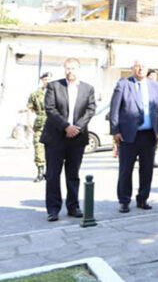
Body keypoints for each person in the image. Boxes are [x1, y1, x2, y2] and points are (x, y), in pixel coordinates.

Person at [41, 58, 96, 221]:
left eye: (73, 68)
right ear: (64, 69)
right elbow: (50, 109)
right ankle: (53, 209)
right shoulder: (54, 86)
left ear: (79, 69)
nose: (70, 71)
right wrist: (66, 126)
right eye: (67, 68)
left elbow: (90, 110)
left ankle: (73, 206)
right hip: (55, 138)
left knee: (73, 175)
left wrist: (77, 127)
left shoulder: (88, 89)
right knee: (53, 175)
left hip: (77, 138)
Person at [110, 59, 158, 213]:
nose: (141, 69)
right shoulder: (123, 84)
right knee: (126, 170)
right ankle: (124, 201)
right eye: (137, 66)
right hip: (128, 135)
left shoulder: (155, 86)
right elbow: (114, 109)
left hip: (149, 135)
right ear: (132, 68)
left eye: (143, 67)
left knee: (147, 169)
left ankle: (143, 198)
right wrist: (115, 131)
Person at [27, 72, 52, 182]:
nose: (48, 82)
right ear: (42, 80)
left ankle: (50, 172)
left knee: (53, 149)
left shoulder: (58, 92)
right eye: (45, 79)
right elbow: (30, 109)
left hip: (54, 124)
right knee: (38, 147)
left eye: (49, 79)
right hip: (40, 124)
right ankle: (40, 172)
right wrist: (28, 123)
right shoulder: (35, 94)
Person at [146, 69, 158, 168]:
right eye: (151, 75)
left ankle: (152, 159)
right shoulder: (143, 87)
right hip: (146, 119)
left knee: (154, 141)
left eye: (155, 76)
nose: (153, 77)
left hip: (156, 118)